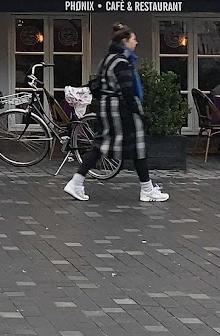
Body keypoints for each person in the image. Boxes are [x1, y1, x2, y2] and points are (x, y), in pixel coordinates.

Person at [64, 24, 169, 204]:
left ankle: (76, 182)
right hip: (121, 111)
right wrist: (137, 111)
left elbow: (98, 85)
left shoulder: (108, 59)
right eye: (133, 39)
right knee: (137, 148)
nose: (136, 42)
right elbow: (127, 90)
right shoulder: (121, 62)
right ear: (124, 41)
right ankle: (147, 189)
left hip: (108, 109)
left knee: (101, 147)